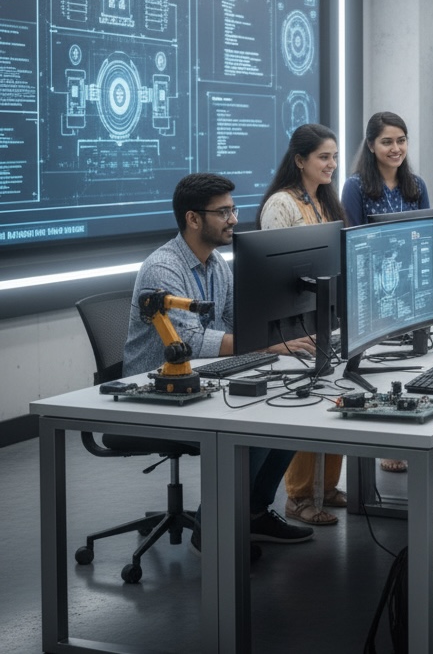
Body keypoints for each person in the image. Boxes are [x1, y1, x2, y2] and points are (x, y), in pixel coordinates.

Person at [123, 173, 316, 551]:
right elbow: (189, 341)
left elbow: (235, 324)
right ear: (194, 219)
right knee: (254, 422)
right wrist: (264, 346)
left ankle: (253, 513)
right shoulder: (164, 269)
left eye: (233, 209)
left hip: (203, 378)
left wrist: (273, 337)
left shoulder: (217, 265)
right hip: (156, 389)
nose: (233, 219)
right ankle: (214, 527)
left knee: (291, 408)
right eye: (223, 212)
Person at [341, 111, 433, 474]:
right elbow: (351, 241)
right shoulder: (355, 187)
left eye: (401, 140)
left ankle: (415, 444)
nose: (395, 148)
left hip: (410, 288)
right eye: (387, 141)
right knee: (379, 376)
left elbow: (427, 232)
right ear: (371, 145)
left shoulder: (416, 184)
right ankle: (388, 447)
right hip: (372, 291)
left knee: (415, 369)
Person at [258, 124, 347, 527]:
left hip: (322, 314)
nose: (331, 164)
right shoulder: (282, 204)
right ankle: (297, 498)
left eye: (334, 156)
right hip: (293, 321)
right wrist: (292, 332)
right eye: (323, 157)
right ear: (300, 160)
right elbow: (276, 277)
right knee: (305, 400)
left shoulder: (325, 201)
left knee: (335, 394)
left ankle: (327, 487)